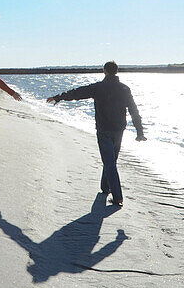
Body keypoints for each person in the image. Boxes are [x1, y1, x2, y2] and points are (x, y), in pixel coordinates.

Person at [46, 61, 145, 206]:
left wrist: (59, 97)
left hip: (104, 129)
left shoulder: (98, 87)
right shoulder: (124, 88)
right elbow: (133, 110)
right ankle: (105, 187)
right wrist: (139, 131)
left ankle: (117, 197)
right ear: (116, 71)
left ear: (104, 71)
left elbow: (77, 93)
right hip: (118, 130)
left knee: (109, 162)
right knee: (111, 160)